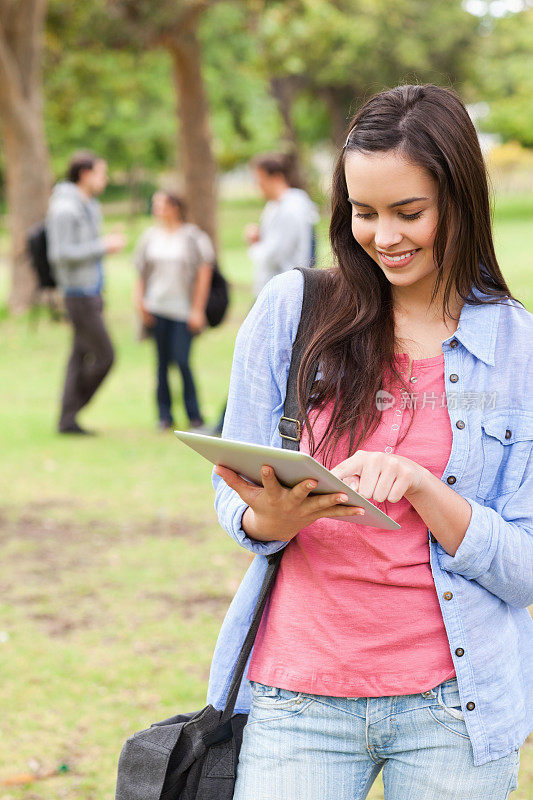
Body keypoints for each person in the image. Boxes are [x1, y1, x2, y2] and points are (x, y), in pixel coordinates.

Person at [208, 85, 532, 799]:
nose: (383, 236)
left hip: (455, 704)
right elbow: (232, 493)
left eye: (408, 212)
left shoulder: (517, 349)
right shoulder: (292, 312)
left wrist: (422, 487)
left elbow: (525, 568)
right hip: (298, 698)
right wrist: (271, 518)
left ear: (461, 202)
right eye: (364, 212)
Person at [46, 151, 125, 434]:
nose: (104, 180)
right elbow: (60, 254)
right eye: (101, 173)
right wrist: (103, 246)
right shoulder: (65, 208)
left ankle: (67, 419)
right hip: (77, 293)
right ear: (84, 174)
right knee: (105, 355)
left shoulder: (87, 205)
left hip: (91, 290)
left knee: (78, 357)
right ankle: (72, 408)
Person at [134, 191, 214, 431]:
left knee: (182, 360)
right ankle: (164, 415)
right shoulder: (149, 237)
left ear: (175, 207)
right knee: (160, 364)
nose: (156, 208)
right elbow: (140, 274)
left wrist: (198, 309)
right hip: (156, 307)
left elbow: (204, 273)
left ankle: (194, 414)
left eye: (162, 204)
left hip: (183, 310)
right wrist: (140, 303)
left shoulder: (193, 237)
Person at [246, 153, 320, 296]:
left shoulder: (291, 208)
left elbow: (275, 255)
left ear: (276, 177)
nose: (257, 186)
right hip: (278, 288)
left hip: (287, 291)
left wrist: (254, 246)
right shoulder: (275, 206)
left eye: (260, 180)